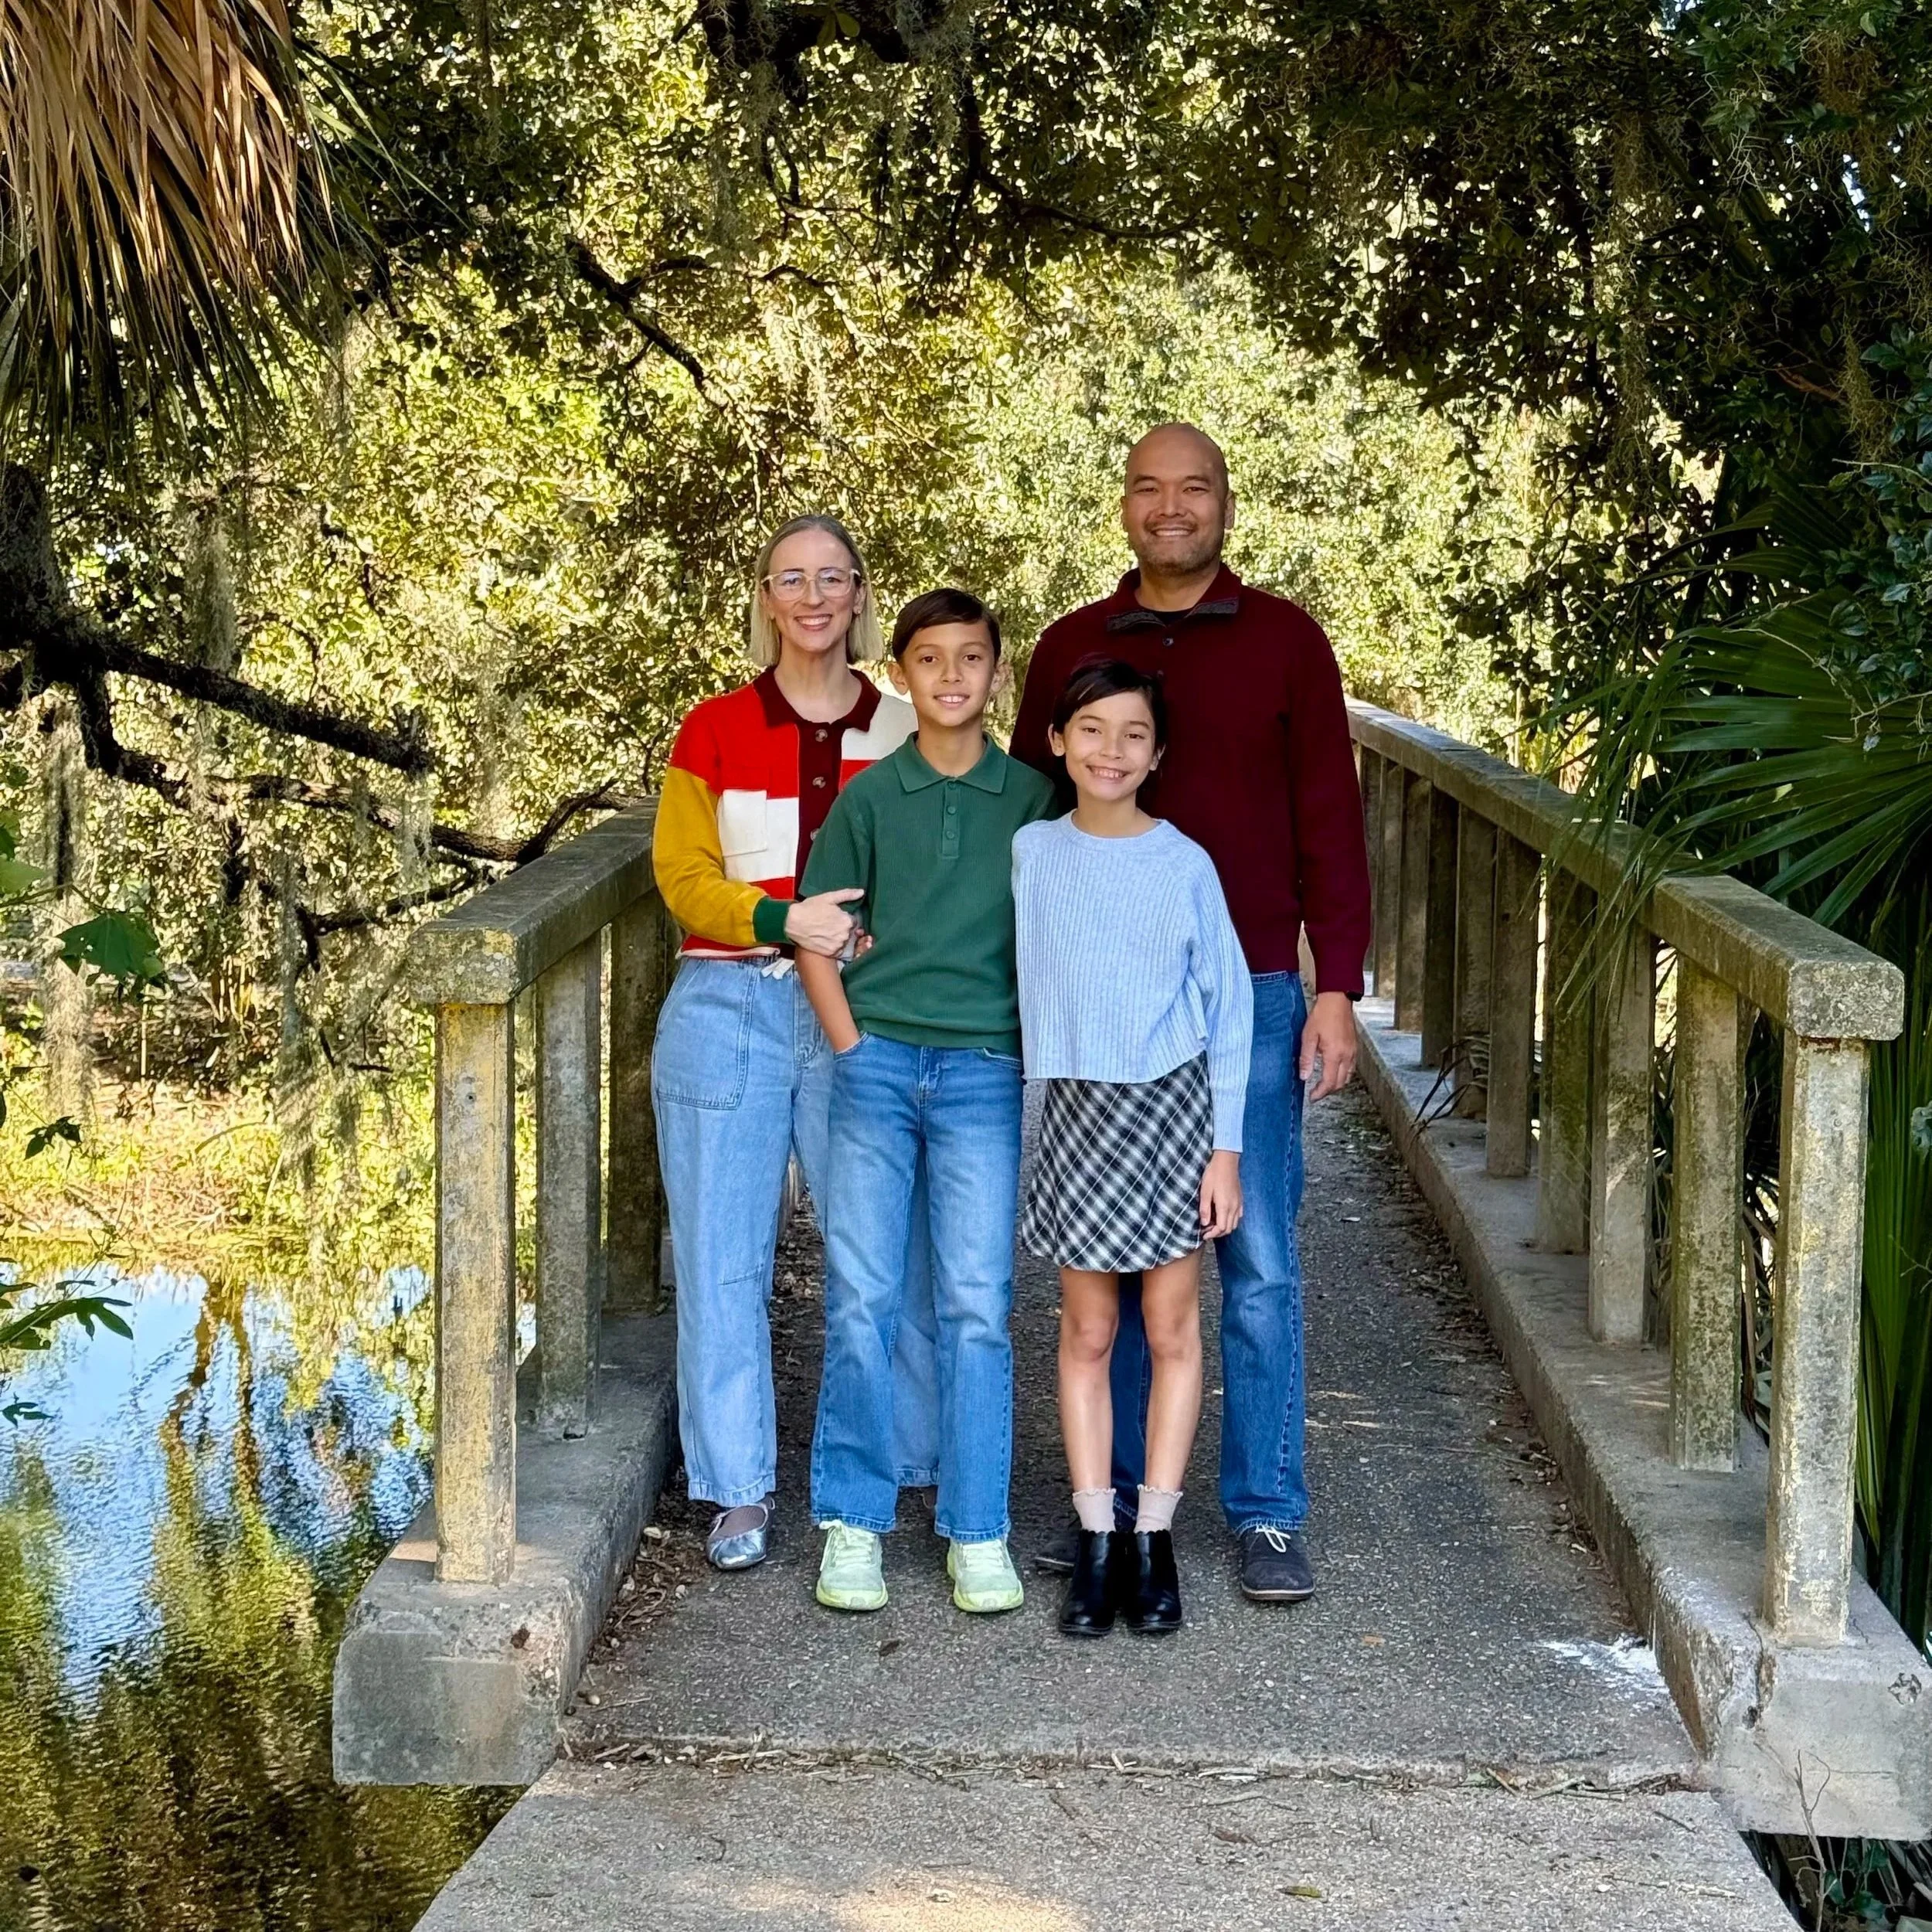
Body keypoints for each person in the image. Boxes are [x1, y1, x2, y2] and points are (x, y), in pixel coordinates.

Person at [1013, 424, 1372, 1606]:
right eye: (1150, 490)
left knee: (1255, 1259)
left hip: (1258, 993)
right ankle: (1112, 1505)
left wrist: (1335, 985)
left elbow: (1330, 813)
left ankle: (1267, 1511)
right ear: (1124, 506)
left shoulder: (1285, 642)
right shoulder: (1073, 646)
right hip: (1106, 1029)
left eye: (1196, 490)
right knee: (1111, 1273)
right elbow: (1024, 824)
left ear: (1226, 503)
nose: (1173, 509)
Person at [651, 513, 939, 1573]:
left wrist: (881, 933)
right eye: (791, 579)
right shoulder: (714, 727)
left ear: (861, 594)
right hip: (728, 1006)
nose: (813, 597)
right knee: (723, 1258)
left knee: (882, 1246)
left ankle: (908, 1457)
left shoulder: (909, 728)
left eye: (833, 578)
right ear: (766, 599)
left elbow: (946, 865)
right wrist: (782, 920)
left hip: (863, 1012)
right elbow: (682, 878)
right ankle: (736, 1488)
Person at [796, 587, 1056, 1615]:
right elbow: (817, 933)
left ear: (998, 673)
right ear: (901, 674)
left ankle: (977, 1528)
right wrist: (851, 1044)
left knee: (977, 1305)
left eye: (973, 659)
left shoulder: (1032, 800)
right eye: (932, 660)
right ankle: (854, 1521)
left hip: (983, 1073)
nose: (952, 678)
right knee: (861, 1296)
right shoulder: (869, 798)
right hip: (877, 1063)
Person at [1015, 658, 1252, 1638]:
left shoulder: (1182, 863)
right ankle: (1095, 1539)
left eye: (1134, 735)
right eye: (1093, 729)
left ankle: (1154, 1535)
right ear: (1059, 741)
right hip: (1077, 1111)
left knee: (1169, 1331)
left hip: (1170, 1111)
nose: (1112, 750)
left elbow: (1228, 1009)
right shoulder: (1031, 850)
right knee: (1088, 1334)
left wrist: (1224, 1150)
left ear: (1158, 754)